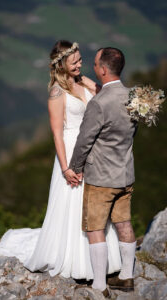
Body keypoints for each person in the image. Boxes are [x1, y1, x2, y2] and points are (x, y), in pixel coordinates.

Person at [0, 41, 121, 282]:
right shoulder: (56, 92)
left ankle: (103, 257)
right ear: (61, 65)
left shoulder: (83, 81)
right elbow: (57, 134)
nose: (81, 64)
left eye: (81, 59)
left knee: (95, 202)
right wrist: (65, 167)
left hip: (91, 149)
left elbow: (104, 93)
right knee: (74, 203)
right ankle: (76, 258)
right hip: (71, 151)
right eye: (75, 62)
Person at [69, 47, 137, 296]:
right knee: (124, 223)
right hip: (125, 174)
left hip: (101, 178)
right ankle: (127, 277)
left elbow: (84, 140)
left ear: (103, 70)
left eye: (96, 64)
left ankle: (99, 285)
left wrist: (74, 168)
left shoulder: (99, 103)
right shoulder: (133, 97)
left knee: (95, 227)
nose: (94, 67)